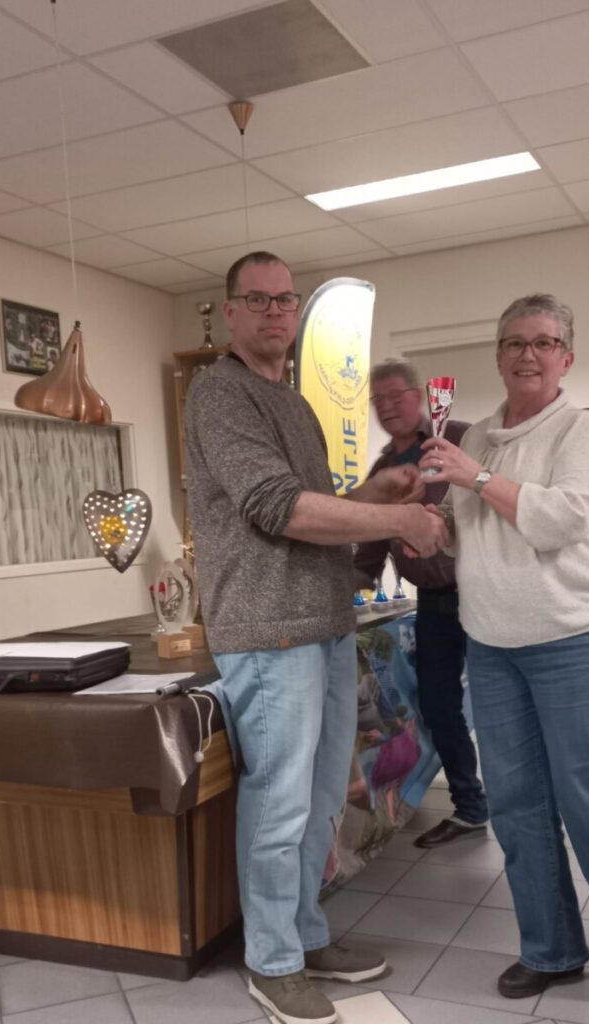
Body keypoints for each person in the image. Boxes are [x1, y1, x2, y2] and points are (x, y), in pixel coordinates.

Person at [184, 251, 448, 1024]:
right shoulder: (219, 393)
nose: (274, 312)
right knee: (278, 804)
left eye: (285, 299)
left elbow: (315, 508)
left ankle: (302, 935)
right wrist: (399, 518)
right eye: (257, 299)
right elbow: (277, 508)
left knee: (323, 798)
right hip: (267, 631)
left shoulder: (294, 405)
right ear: (230, 312)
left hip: (325, 623)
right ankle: (270, 961)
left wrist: (373, 491)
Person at [418, 294, 589, 1024]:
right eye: (514, 342)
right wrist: (426, 521)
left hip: (573, 643)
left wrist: (474, 478)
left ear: (566, 358)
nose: (527, 354)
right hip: (492, 646)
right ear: (498, 355)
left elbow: (562, 519)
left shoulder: (581, 428)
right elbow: (469, 531)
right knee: (516, 808)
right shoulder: (476, 433)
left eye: (543, 342)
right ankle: (551, 949)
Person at [354, 359, 488, 846]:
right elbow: (368, 554)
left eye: (397, 396)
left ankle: (527, 809)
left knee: (502, 707)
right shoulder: (382, 472)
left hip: (484, 597)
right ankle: (471, 807)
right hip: (432, 606)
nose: (388, 407)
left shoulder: (463, 438)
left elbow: (498, 501)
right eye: (379, 400)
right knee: (438, 708)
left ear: (419, 395)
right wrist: (329, 591)